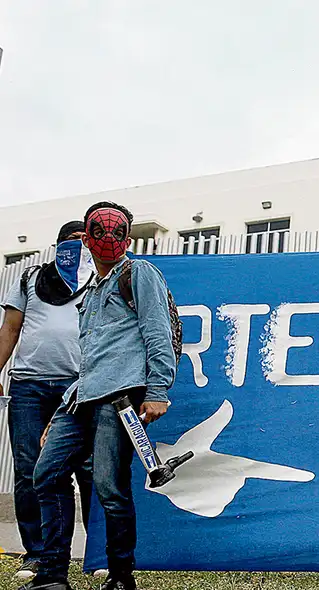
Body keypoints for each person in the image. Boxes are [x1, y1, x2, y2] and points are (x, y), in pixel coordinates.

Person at [23, 202, 176, 590]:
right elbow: (91, 358)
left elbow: (158, 332)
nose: (109, 238)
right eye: (100, 231)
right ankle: (52, 576)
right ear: (86, 239)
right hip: (82, 398)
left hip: (120, 397)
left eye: (118, 231)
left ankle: (121, 577)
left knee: (109, 487)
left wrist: (157, 389)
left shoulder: (139, 273)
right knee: (47, 474)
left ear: (128, 238)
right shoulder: (90, 293)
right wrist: (62, 411)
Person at [0, 222, 95, 582]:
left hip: (79, 387)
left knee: (87, 469)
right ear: (57, 246)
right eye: (71, 241)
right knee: (29, 470)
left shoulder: (100, 279)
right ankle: (37, 554)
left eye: (85, 240)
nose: (79, 246)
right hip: (29, 386)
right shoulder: (30, 279)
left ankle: (97, 552)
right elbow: (10, 329)